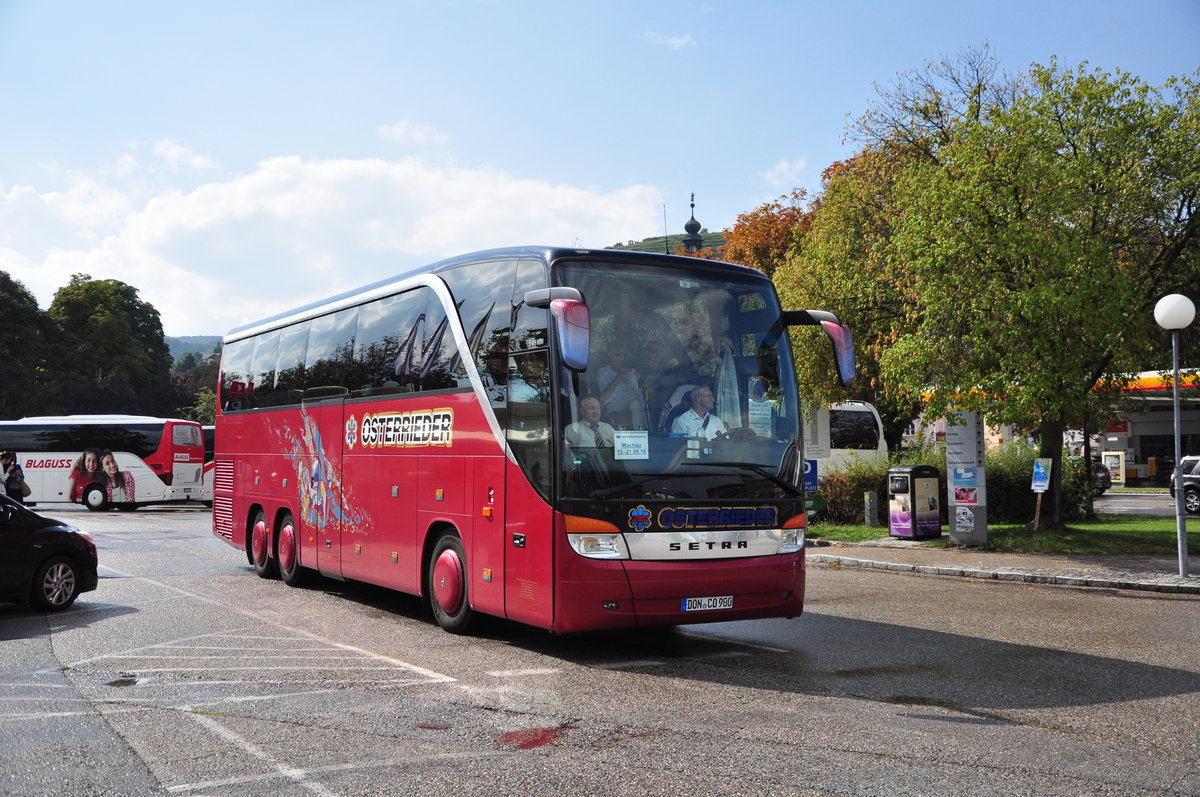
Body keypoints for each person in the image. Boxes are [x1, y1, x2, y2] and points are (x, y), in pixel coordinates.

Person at [595, 348, 645, 429]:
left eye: (622, 355)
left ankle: (640, 431)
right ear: (609, 355)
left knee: (636, 403)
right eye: (617, 354)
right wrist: (620, 376)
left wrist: (634, 378)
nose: (621, 357)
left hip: (626, 405)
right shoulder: (603, 371)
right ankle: (649, 426)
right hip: (611, 405)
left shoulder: (628, 372)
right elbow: (606, 395)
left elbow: (634, 391)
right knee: (638, 393)